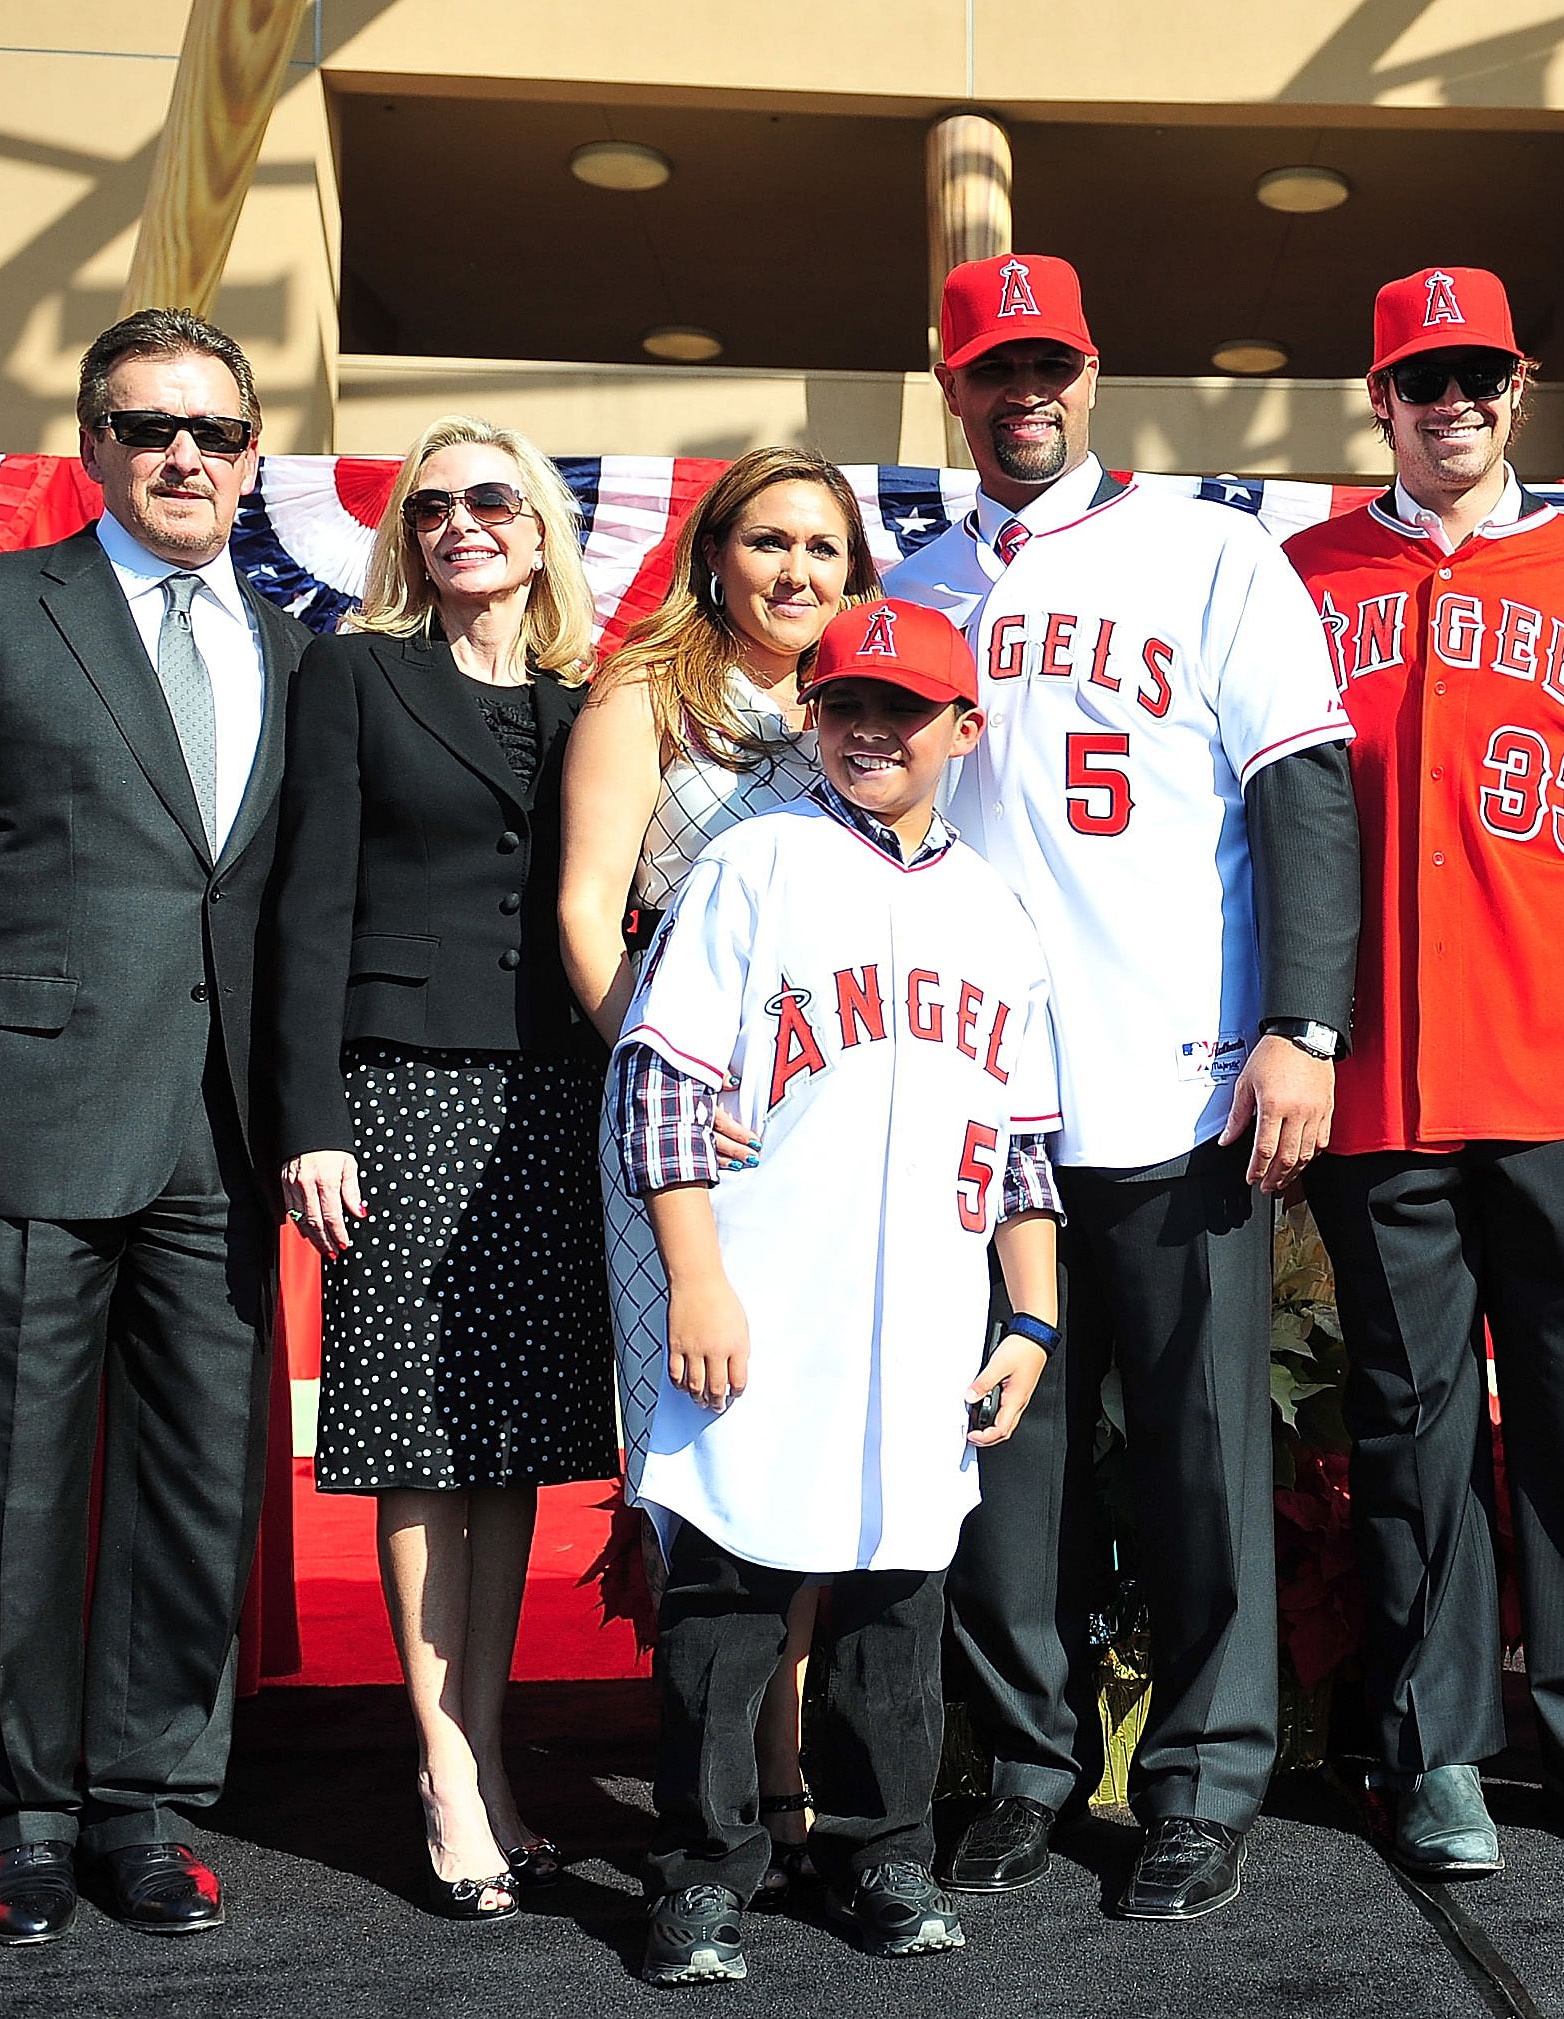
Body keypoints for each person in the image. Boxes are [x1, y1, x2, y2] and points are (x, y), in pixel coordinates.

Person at [882, 252, 1361, 1921]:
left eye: (1050, 364)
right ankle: (1021, 1764)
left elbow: (1306, 798)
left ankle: (1204, 1775)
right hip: (979, 1104)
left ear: (1093, 373)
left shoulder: (1216, 553)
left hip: (1180, 1079)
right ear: (952, 388)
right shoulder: (919, 584)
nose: (1024, 393)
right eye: (990, 369)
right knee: (1008, 1461)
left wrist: (1302, 1025)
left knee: (1198, 1451)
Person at [0, 309, 311, 1944]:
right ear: (92, 446)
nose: (185, 455)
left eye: (216, 431)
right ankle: (20, 1810)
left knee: (197, 1484)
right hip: (19, 1116)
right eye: (147, 425)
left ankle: (150, 1803)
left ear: (257, 457)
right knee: (17, 1481)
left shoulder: (294, 648)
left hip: (224, 1135)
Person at [1282, 265, 1564, 1880]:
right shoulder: (1302, 574)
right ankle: (1438, 1748)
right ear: (1376, 400)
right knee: (1411, 1424)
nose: (1454, 404)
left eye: (1481, 379)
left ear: (1518, 393)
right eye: (1420, 381)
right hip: (1383, 1086)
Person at [605, 598, 1062, 1984]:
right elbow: (664, 1088)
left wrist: (1031, 1317)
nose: (871, 729)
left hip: (924, 1315)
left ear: (963, 731)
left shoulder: (994, 909)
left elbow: (1025, 1151)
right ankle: (699, 1871)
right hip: (760, 1296)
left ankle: (885, 1852)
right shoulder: (756, 864)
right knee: (731, 1594)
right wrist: (694, 1280)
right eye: (847, 703)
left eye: (904, 709)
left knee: (892, 1596)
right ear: (814, 717)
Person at [263, 417, 612, 1920]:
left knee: (514, 1438)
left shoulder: (583, 701)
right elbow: (304, 910)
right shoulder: (352, 675)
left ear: (537, 531)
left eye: (490, 500)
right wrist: (307, 1117)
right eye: (431, 506)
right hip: (397, 1086)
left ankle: (489, 1742)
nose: (459, 523)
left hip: (554, 1093)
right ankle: (446, 1769)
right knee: (418, 1437)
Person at [559, 445, 873, 1889]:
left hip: (833, 1133)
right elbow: (584, 910)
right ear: (716, 552)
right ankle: (722, 1786)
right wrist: (668, 1077)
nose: (796, 571)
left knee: (814, 1452)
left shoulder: (867, 706)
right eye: (769, 542)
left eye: (823, 547)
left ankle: (795, 1764)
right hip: (686, 1140)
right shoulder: (647, 691)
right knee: (705, 1453)